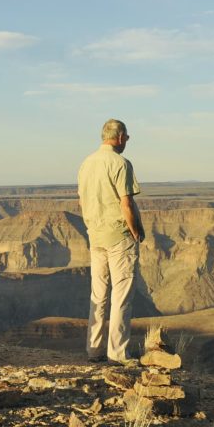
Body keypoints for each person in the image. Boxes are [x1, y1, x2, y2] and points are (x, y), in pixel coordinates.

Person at [77, 118, 145, 364]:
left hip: (95, 236)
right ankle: (117, 353)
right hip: (118, 237)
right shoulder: (120, 163)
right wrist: (136, 231)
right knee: (121, 295)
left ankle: (94, 350)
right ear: (119, 137)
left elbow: (81, 200)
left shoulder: (86, 163)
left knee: (99, 294)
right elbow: (126, 203)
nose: (127, 140)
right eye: (126, 136)